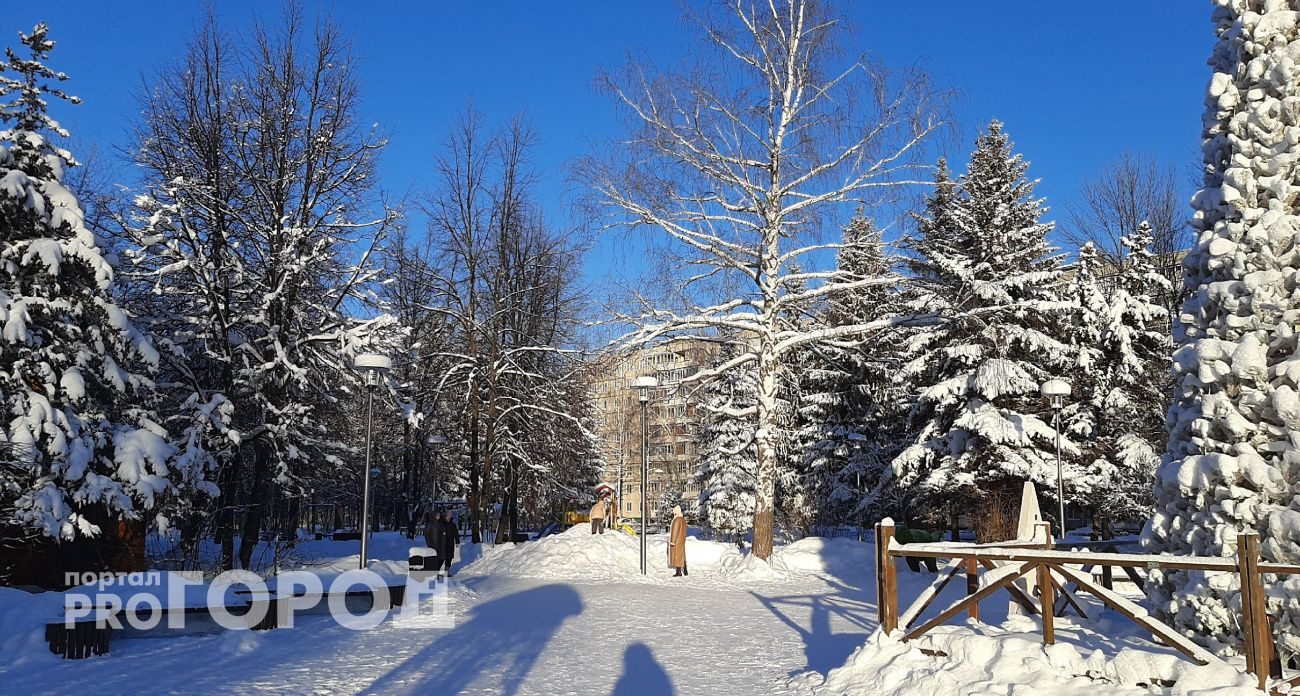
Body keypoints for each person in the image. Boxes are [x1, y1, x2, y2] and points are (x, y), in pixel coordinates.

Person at [668, 505, 688, 577]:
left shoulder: (677, 520)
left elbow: (675, 531)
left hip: (676, 541)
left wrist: (672, 541)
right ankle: (685, 570)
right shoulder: (683, 519)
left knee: (677, 556)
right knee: (681, 555)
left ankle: (678, 572)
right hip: (681, 540)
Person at [439, 510, 459, 576]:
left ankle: (446, 572)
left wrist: (457, 541)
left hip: (450, 543)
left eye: (450, 515)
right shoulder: (441, 523)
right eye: (448, 515)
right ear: (445, 515)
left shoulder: (452, 524)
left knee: (449, 558)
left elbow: (456, 533)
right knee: (442, 558)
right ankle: (436, 571)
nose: (449, 516)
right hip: (443, 543)